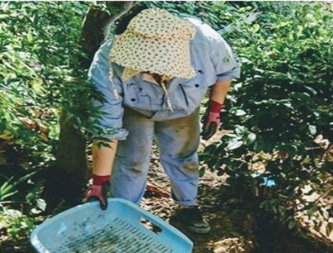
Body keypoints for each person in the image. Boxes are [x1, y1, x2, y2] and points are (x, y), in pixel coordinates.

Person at [85, 8, 240, 234]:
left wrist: (215, 110)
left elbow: (226, 72)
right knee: (131, 161)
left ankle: (188, 207)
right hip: (135, 110)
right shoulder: (107, 63)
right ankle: (124, 216)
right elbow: (106, 128)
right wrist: (99, 182)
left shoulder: (205, 40)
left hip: (182, 108)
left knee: (183, 156)